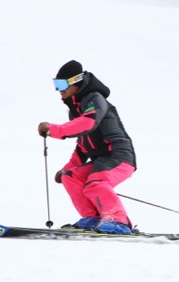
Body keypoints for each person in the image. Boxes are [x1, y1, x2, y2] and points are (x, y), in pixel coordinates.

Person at [38, 60, 137, 235]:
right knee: (71, 177)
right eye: (56, 84)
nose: (58, 89)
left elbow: (89, 123)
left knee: (96, 183)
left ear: (76, 81)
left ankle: (119, 222)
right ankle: (93, 217)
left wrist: (54, 129)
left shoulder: (94, 98)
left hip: (119, 156)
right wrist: (66, 169)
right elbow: (83, 145)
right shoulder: (75, 109)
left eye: (61, 84)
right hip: (102, 160)